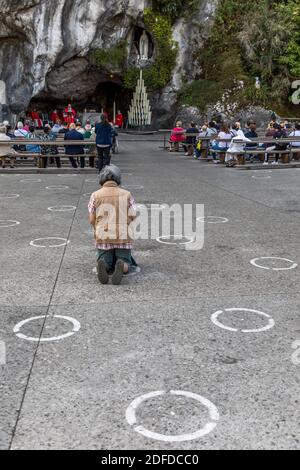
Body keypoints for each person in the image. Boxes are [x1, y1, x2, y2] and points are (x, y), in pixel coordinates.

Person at [88, 165, 138, 285]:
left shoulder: (95, 195)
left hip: (103, 234)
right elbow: (133, 214)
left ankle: (103, 265)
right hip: (122, 234)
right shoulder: (127, 194)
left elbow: (91, 219)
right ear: (118, 179)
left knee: (104, 258)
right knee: (125, 260)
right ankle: (122, 265)